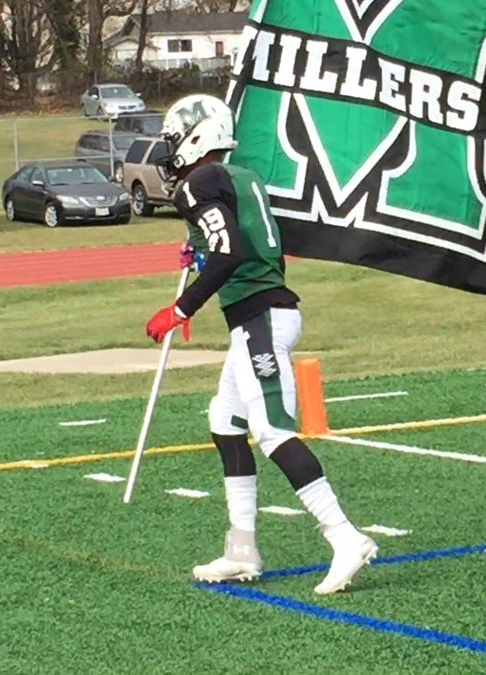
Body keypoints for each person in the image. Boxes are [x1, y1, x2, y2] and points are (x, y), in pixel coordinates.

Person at [143, 94, 377, 595]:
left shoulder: (199, 183)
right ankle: (241, 547)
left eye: (175, 138)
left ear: (197, 136)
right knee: (225, 421)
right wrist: (202, 252)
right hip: (264, 313)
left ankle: (344, 536)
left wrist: (181, 308)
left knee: (272, 429)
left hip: (259, 317)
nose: (170, 150)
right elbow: (237, 241)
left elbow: (228, 250)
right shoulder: (243, 176)